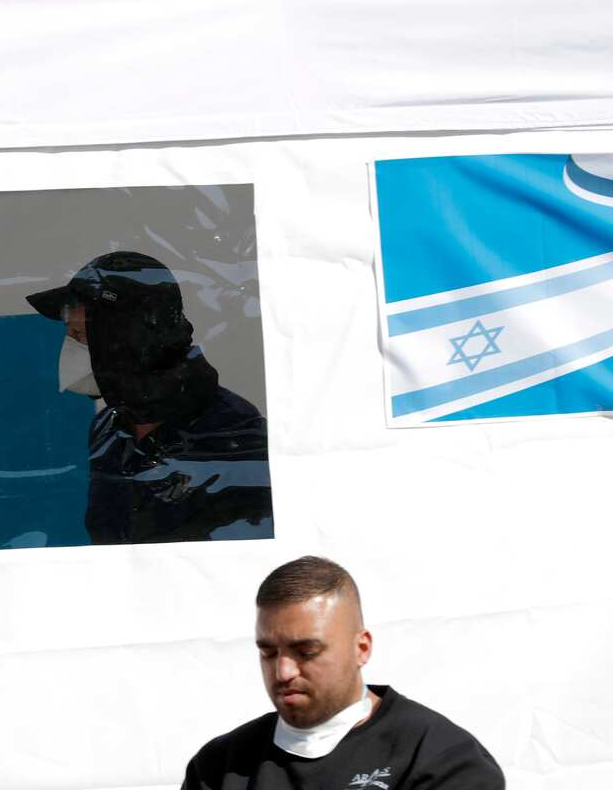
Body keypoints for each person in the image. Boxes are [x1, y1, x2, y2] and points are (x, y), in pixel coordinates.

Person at [182, 556, 504, 789]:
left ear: (361, 648)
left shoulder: (440, 758)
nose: (283, 671)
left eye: (306, 651)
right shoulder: (219, 767)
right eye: (268, 652)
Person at [27, 251, 271, 544]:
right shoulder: (108, 429)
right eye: (71, 336)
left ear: (129, 337)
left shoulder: (235, 432)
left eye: (82, 335)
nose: (73, 350)